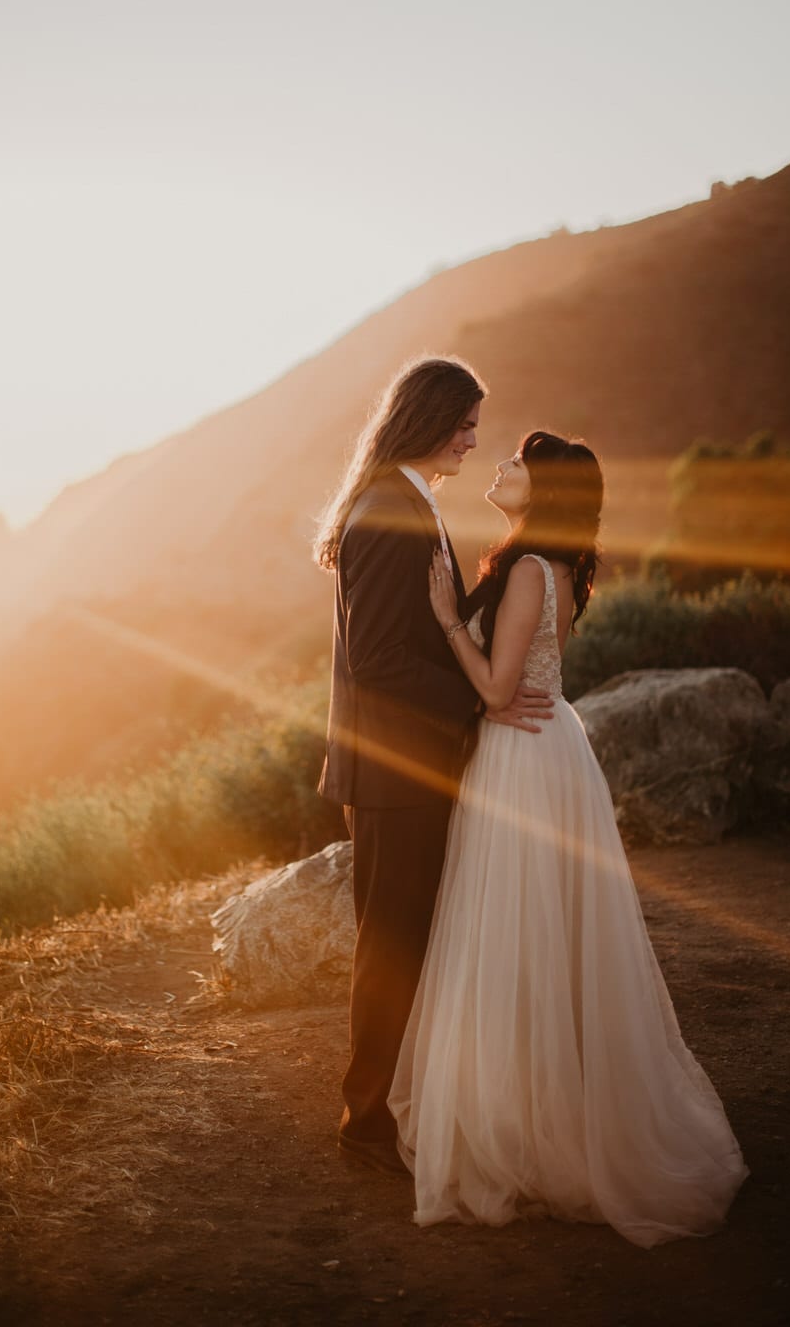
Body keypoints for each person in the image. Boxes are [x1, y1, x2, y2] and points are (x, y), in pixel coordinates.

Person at [389, 431, 749, 1245]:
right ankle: (544, 1106)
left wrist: (448, 619)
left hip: (522, 761)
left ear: (542, 491)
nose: (501, 469)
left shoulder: (524, 571)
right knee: (543, 938)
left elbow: (494, 690)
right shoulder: (545, 565)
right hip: (550, 757)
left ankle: (526, 1128)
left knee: (515, 938)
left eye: (516, 463)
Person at [313, 359, 553, 1177]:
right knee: (392, 942)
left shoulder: (404, 503)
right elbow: (380, 660)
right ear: (424, 417)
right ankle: (366, 1116)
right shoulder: (389, 512)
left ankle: (394, 1100)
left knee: (409, 938)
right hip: (395, 771)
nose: (473, 438)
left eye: (475, 423)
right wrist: (480, 699)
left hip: (410, 766)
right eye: (462, 421)